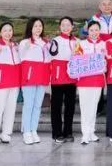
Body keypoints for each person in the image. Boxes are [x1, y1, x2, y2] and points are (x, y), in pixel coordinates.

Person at [0, 22, 21, 146]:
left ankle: (6, 133)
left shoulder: (15, 46)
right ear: (0, 32)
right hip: (1, 83)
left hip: (14, 83)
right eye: (5, 30)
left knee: (11, 108)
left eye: (10, 30)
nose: (8, 33)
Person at [19, 17, 51, 145]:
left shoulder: (46, 42)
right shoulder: (25, 42)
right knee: (29, 105)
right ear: (30, 28)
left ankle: (33, 130)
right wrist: (26, 47)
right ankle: (26, 131)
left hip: (42, 77)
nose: (38, 28)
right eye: (35, 26)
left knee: (37, 105)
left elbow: (50, 58)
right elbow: (21, 56)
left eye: (40, 26)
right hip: (30, 77)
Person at [76, 21, 107, 145]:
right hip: (84, 80)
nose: (94, 32)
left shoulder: (104, 44)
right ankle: (85, 133)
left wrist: (103, 65)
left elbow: (106, 61)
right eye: (91, 30)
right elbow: (76, 60)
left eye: (96, 30)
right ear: (87, 31)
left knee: (94, 107)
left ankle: (91, 131)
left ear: (100, 31)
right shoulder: (81, 44)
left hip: (98, 80)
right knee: (85, 107)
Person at [48, 16, 77, 144]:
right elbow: (51, 54)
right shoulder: (55, 41)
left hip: (72, 78)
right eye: (63, 25)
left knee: (70, 107)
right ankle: (57, 133)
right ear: (59, 27)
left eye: (68, 25)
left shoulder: (77, 41)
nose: (66, 27)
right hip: (58, 78)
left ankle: (68, 132)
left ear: (72, 27)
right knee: (56, 107)